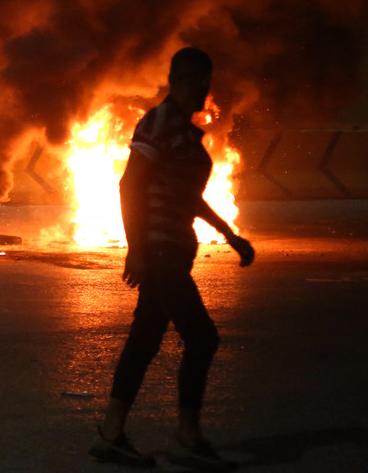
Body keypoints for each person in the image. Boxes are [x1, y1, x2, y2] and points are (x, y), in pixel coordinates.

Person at [89, 47, 255, 471]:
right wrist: (137, 250)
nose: (207, 89)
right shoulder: (159, 122)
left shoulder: (183, 129)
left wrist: (229, 234)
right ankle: (186, 436)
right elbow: (130, 186)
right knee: (202, 338)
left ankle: (112, 435)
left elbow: (188, 196)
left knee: (145, 340)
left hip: (175, 250)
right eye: (203, 80)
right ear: (186, 80)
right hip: (161, 251)